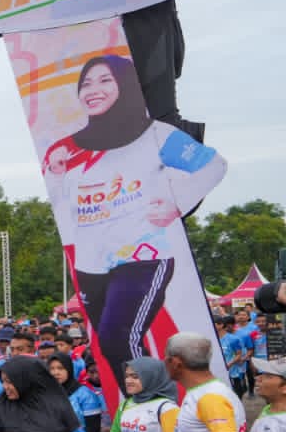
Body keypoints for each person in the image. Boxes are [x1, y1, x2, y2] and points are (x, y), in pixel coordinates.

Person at [43, 55, 225, 392]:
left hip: (143, 255)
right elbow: (62, 201)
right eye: (86, 83)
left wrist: (176, 204)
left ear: (125, 86)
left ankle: (155, 405)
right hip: (90, 262)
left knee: (119, 336)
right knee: (109, 346)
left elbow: (213, 165)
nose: (93, 89)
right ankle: (137, 408)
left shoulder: (156, 135)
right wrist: (54, 170)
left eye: (105, 80)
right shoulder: (67, 147)